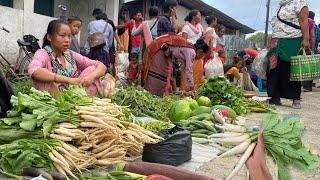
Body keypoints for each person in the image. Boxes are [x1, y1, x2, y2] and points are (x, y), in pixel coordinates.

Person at [28, 20, 109, 97]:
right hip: (53, 99)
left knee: (92, 69)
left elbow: (101, 66)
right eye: (62, 35)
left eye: (69, 36)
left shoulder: (70, 54)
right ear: (49, 37)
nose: (67, 40)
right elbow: (34, 71)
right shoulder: (43, 53)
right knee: (46, 80)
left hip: (73, 96)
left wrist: (91, 77)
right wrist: (67, 80)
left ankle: (81, 104)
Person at [268, 0, 309, 108]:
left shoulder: (300, 3)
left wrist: (306, 39)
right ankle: (275, 97)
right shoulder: (281, 5)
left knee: (291, 69)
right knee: (275, 69)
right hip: (277, 40)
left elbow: (304, 21)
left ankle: (295, 99)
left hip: (293, 40)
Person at [143, 34, 208, 96]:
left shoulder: (190, 49)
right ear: (200, 51)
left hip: (166, 52)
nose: (200, 58)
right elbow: (189, 70)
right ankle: (153, 96)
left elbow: (185, 69)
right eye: (202, 56)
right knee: (159, 76)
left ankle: (159, 95)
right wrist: (192, 89)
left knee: (167, 75)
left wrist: (188, 87)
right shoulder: (192, 52)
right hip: (161, 51)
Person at [181, 10, 204, 90]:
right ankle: (185, 90)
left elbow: (201, 39)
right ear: (194, 17)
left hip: (198, 54)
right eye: (199, 15)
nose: (200, 17)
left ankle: (195, 90)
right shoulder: (186, 27)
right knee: (188, 70)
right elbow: (183, 42)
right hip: (189, 54)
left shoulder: (200, 27)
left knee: (198, 71)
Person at [302, 11, 316, 92]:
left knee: (302, 66)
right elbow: (313, 37)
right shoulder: (313, 24)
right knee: (310, 67)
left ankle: (304, 86)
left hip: (302, 46)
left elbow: (313, 36)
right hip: (310, 48)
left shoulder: (303, 21)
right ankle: (308, 86)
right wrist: (313, 48)